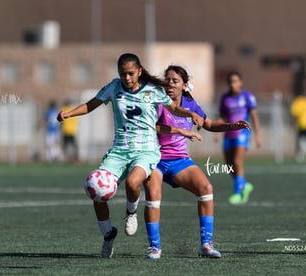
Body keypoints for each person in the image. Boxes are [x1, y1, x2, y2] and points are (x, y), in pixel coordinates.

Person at [56, 53, 204, 258]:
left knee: (133, 183)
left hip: (146, 151)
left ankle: (130, 213)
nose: (127, 78)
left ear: (139, 71)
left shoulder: (153, 91)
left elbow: (174, 108)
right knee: (96, 189)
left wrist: (191, 114)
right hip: (119, 151)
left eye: (131, 74)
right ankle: (108, 234)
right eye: (123, 74)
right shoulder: (114, 87)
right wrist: (69, 113)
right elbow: (91, 104)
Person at [143, 65, 250, 259]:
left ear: (184, 85)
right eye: (167, 80)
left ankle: (206, 245)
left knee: (206, 188)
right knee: (153, 194)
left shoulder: (190, 103)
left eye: (175, 81)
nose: (170, 85)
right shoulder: (158, 102)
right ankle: (154, 247)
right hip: (154, 159)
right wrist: (180, 130)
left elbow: (208, 124)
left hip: (179, 161)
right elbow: (153, 127)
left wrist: (232, 126)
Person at [214, 71, 261, 205]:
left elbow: (254, 116)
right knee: (229, 165)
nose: (233, 84)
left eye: (235, 81)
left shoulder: (247, 97)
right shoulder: (225, 98)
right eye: (230, 81)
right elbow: (222, 116)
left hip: (242, 134)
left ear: (241, 82)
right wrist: (217, 131)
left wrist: (257, 135)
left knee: (237, 161)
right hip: (228, 134)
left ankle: (238, 193)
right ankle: (244, 185)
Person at [290, 92, 306, 162]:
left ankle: (300, 154)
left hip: (301, 123)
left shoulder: (298, 102)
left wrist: (294, 123)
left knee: (300, 139)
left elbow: (295, 114)